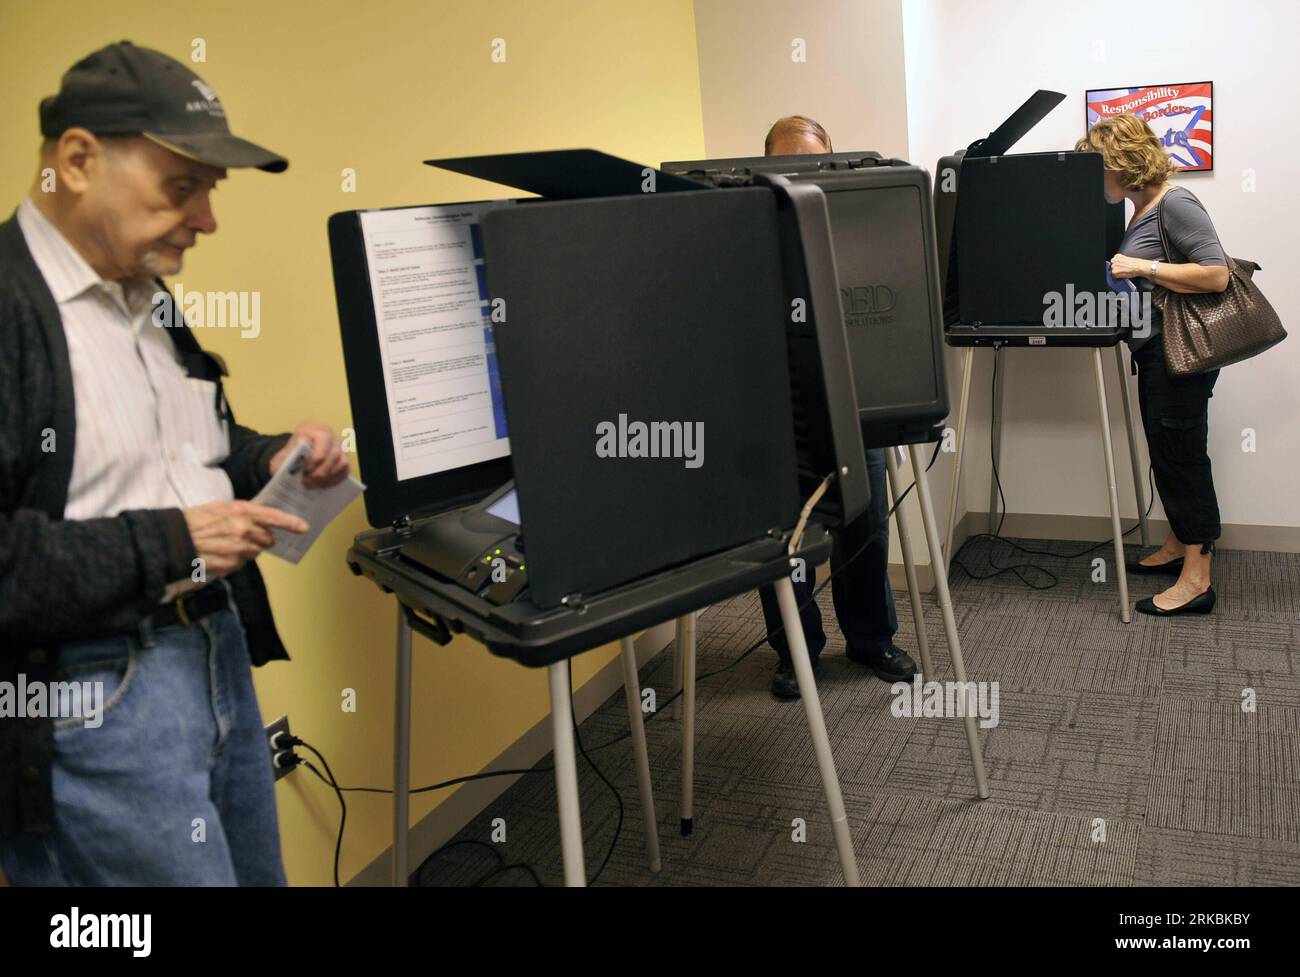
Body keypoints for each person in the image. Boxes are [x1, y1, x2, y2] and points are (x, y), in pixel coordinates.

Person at [0, 41, 351, 884]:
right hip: (93, 694)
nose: (206, 219)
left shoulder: (146, 292)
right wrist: (171, 542)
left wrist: (272, 455)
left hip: (213, 653)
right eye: (181, 186)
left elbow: (192, 450)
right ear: (78, 161)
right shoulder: (11, 312)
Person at [756, 115, 918, 699]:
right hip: (779, 410)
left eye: (813, 162)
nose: (799, 174)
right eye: (785, 163)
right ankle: (795, 651)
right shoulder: (748, 232)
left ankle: (871, 640)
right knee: (785, 539)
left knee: (865, 526)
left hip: (855, 403)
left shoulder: (858, 228)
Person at [1078, 113, 1229, 617]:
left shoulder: (1176, 204)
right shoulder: (1143, 209)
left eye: (1100, 168)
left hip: (1180, 358)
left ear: (1123, 163)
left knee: (1183, 460)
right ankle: (1175, 545)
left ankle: (1198, 579)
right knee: (1168, 453)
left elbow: (1216, 276)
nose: (1096, 180)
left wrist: (1142, 266)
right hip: (1157, 354)